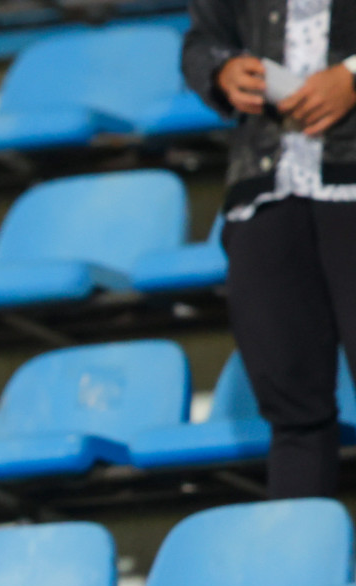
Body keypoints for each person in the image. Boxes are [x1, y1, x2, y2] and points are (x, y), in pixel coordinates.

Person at [184, 0, 356, 498]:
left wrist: (350, 75)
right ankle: (299, 570)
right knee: (293, 412)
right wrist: (222, 71)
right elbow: (202, 40)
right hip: (267, 183)